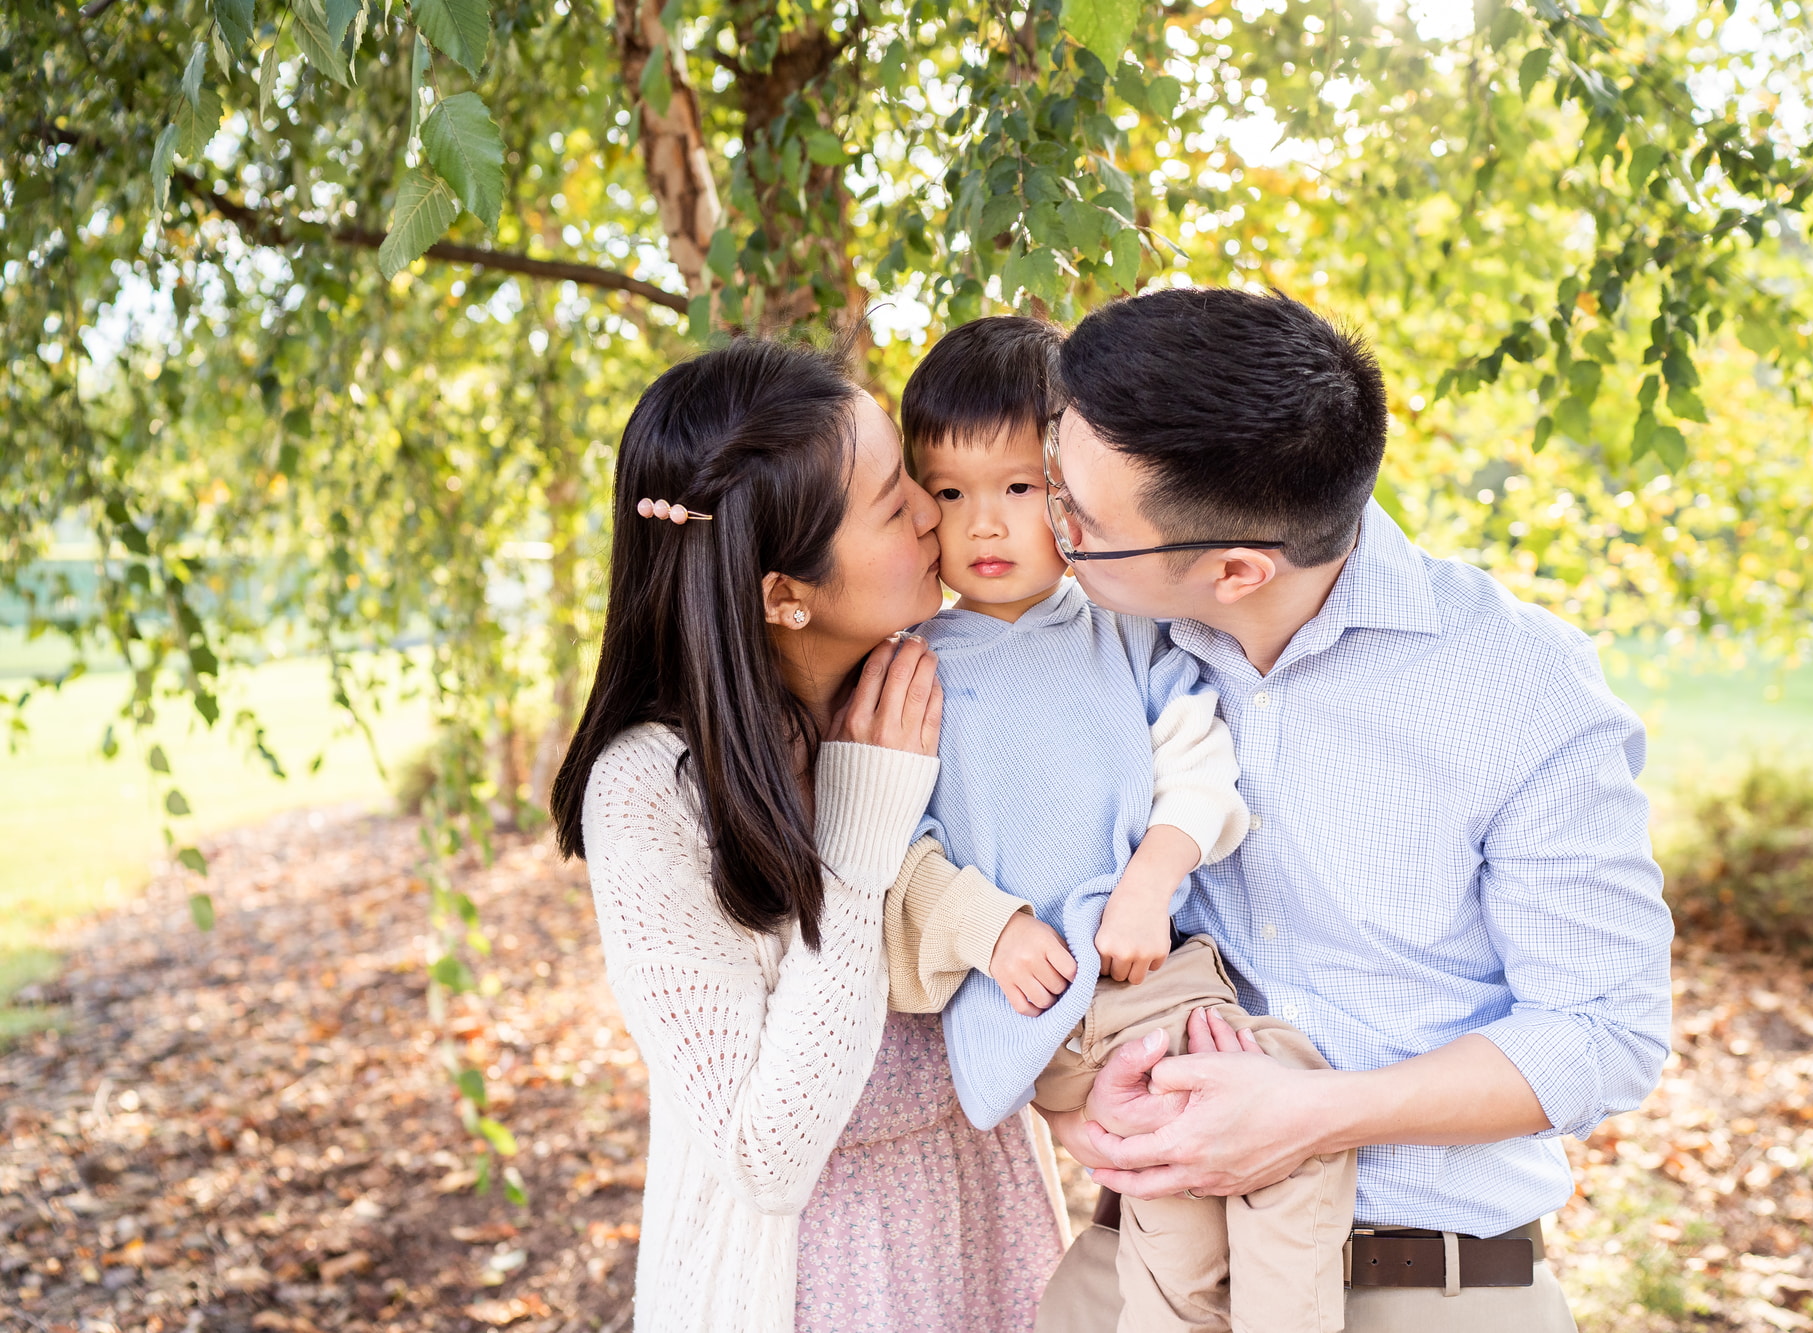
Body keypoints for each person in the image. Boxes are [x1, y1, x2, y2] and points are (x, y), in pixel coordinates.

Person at [1032, 288, 1675, 1332]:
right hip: (1140, 1266)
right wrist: (1067, 1101)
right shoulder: (1093, 647)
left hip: (1427, 1286)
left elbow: (1601, 1032)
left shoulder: (1522, 689)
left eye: (1082, 524)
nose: (1048, 531)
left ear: (1234, 570)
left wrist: (1313, 1117)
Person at [547, 339, 1063, 1333]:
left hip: (987, 1223)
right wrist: (862, 833)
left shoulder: (935, 677)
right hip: (808, 1279)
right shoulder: (652, 792)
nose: (931, 510)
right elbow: (767, 1156)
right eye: (890, 501)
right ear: (783, 592)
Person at [876, 315, 1357, 1333]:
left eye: (1018, 490)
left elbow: (1197, 764)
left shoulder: (1124, 633)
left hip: (1151, 974)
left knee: (1291, 1141)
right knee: (1178, 1215)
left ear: (1071, 495)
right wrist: (989, 928)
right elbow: (893, 849)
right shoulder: (905, 663)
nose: (985, 528)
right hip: (1039, 1008)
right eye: (950, 495)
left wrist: (1148, 879)